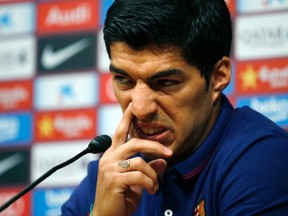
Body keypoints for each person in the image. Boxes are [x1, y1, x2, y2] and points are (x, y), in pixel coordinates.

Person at [61, 0, 288, 215]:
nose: (140, 109)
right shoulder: (107, 176)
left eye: (165, 83)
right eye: (123, 79)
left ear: (218, 76)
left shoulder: (262, 158)